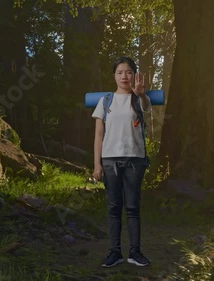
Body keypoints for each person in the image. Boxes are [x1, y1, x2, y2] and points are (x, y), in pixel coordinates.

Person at [92, 57, 152, 268]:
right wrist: (97, 165)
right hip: (109, 161)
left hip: (135, 160)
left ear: (134, 75)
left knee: (133, 208)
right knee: (114, 208)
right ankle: (114, 252)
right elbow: (99, 135)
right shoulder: (105, 101)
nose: (124, 76)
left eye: (128, 72)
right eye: (120, 72)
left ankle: (135, 252)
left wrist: (142, 95)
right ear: (114, 76)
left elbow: (146, 108)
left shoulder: (139, 99)